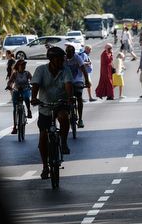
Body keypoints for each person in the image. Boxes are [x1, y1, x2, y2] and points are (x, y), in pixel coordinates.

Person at [32, 46, 74, 178]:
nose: (62, 61)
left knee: (63, 118)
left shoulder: (65, 70)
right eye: (60, 59)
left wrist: (69, 98)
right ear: (52, 59)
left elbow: (68, 86)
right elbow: (36, 85)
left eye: (63, 59)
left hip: (61, 103)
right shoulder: (40, 70)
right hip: (45, 106)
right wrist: (33, 98)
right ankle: (45, 167)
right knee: (43, 138)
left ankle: (64, 142)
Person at [64, 45, 88, 127]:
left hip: (77, 80)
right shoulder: (64, 58)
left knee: (79, 96)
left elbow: (84, 70)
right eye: (67, 52)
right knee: (64, 98)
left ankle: (80, 119)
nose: (68, 54)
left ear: (74, 53)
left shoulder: (77, 58)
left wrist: (87, 81)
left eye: (70, 53)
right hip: (67, 81)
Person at [7, 57, 33, 132]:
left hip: (26, 89)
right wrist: (9, 86)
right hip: (17, 90)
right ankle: (15, 126)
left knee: (26, 97)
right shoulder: (15, 74)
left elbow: (32, 80)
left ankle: (28, 110)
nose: (23, 66)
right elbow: (10, 81)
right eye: (22, 65)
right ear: (18, 66)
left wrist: (33, 84)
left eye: (24, 65)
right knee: (15, 109)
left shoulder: (27, 73)